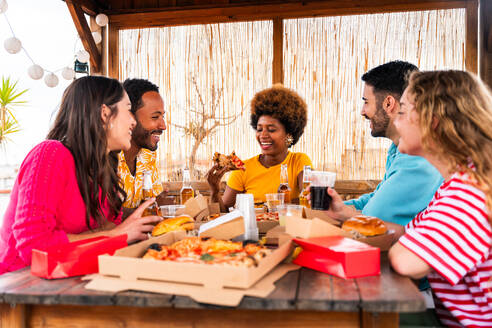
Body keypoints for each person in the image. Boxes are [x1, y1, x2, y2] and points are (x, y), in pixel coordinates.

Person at [0, 76, 161, 274]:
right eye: (128, 109)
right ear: (105, 113)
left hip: (72, 278)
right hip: (20, 289)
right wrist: (118, 234)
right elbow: (34, 248)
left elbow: (110, 229)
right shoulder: (50, 155)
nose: (133, 121)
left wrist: (124, 231)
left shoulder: (103, 170)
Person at [389, 70, 492, 327]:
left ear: (431, 121)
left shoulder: (471, 191)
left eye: (402, 111)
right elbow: (406, 233)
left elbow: (406, 261)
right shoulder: (458, 182)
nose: (395, 120)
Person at [324, 61, 443, 226]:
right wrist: (338, 207)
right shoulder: (398, 149)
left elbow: (375, 214)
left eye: (366, 101)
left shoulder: (419, 156)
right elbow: (376, 198)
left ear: (389, 103)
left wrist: (344, 213)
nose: (362, 111)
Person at [207, 85, 312, 212]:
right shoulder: (242, 169)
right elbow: (221, 212)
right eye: (259, 129)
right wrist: (214, 191)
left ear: (289, 134)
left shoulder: (299, 161)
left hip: (289, 229)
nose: (263, 135)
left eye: (271, 129)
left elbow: (308, 197)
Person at [117, 78, 171, 215]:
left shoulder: (147, 155)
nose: (163, 126)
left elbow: (155, 202)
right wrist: (147, 211)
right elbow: (106, 216)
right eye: (155, 117)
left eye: (162, 117)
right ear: (129, 117)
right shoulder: (105, 155)